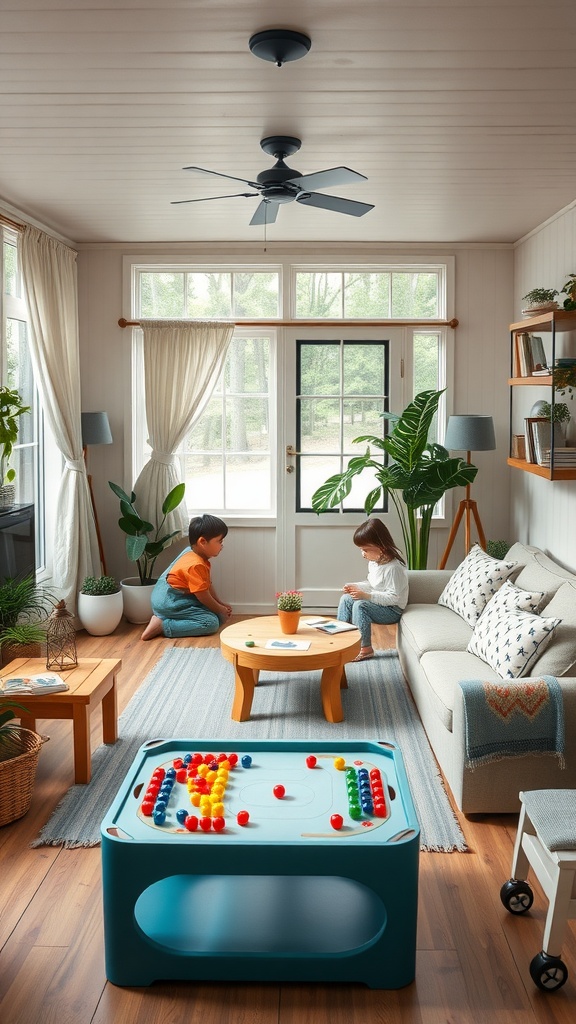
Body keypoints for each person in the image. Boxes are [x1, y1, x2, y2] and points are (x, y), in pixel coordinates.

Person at [141, 513, 232, 641]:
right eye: (219, 541)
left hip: (168, 595)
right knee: (211, 623)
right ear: (202, 542)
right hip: (169, 601)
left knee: (217, 614)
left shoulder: (190, 552)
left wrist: (219, 604)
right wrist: (220, 609)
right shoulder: (196, 565)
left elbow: (206, 586)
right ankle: (162, 625)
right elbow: (203, 595)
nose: (222, 545)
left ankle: (163, 617)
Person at [337, 518, 408, 662]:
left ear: (381, 547)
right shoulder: (374, 563)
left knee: (360, 605)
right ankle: (340, 640)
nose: (363, 554)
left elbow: (393, 598)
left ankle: (365, 648)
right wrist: (355, 587)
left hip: (392, 610)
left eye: (365, 550)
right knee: (346, 599)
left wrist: (366, 596)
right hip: (379, 603)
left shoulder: (394, 568)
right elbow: (372, 584)